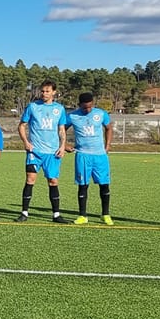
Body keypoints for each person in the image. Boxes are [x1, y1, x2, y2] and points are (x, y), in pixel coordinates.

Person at [17, 80, 70, 222]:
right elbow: (21, 126)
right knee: (30, 179)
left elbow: (61, 130)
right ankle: (24, 213)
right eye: (42, 91)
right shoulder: (33, 107)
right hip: (35, 152)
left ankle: (56, 215)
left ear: (54, 92)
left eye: (47, 91)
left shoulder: (59, 109)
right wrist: (26, 142)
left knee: (53, 181)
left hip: (52, 153)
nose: (44, 93)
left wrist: (62, 146)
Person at [68, 92, 114, 225]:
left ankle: (105, 214)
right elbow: (60, 129)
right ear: (79, 105)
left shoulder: (101, 114)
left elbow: (109, 128)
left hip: (100, 156)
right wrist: (64, 145)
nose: (87, 110)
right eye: (84, 107)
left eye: (90, 106)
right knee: (83, 185)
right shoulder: (72, 116)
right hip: (82, 155)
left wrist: (107, 145)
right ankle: (82, 215)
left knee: (104, 185)